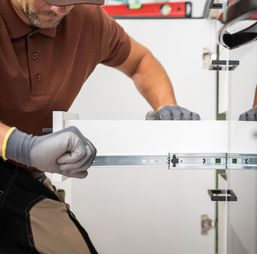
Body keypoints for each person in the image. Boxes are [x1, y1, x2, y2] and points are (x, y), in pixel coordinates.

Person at [0, 0, 199, 252]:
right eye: (51, 0)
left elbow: (140, 62)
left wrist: (166, 106)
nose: (59, 11)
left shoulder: (87, 20)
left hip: (22, 175)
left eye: (72, 2)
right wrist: (23, 146)